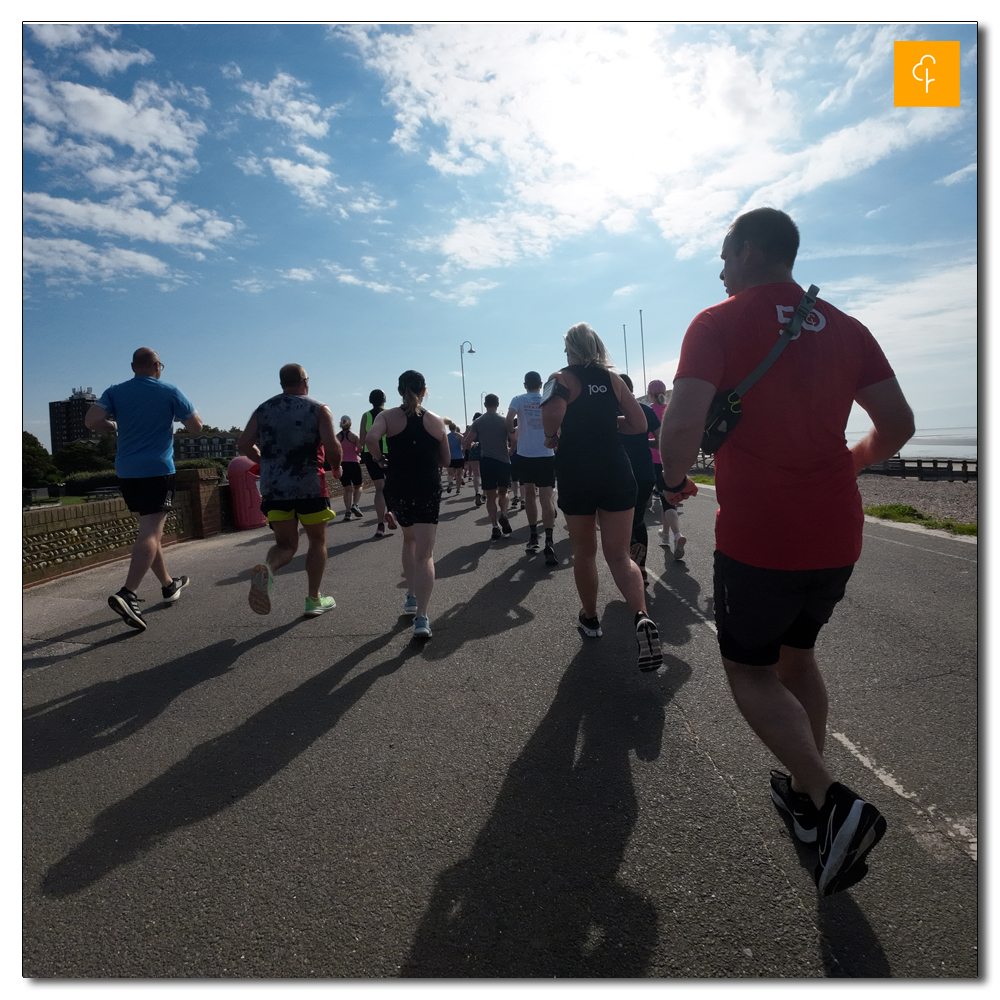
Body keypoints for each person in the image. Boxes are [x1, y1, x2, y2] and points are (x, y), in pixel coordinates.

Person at [657, 206, 914, 895]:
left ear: (748, 250)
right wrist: (849, 465)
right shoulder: (849, 327)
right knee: (799, 656)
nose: (719, 269)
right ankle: (806, 798)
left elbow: (680, 427)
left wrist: (674, 481)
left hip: (762, 536)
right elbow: (899, 424)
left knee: (749, 672)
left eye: (723, 254)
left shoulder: (717, 321)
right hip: (837, 530)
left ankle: (833, 801)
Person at [540, 323, 662, 672]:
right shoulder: (613, 380)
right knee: (620, 556)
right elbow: (639, 424)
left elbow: (551, 412)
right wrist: (608, 425)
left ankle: (591, 619)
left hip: (577, 473)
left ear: (572, 349)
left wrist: (553, 435)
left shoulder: (561, 377)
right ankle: (641, 616)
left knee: (584, 552)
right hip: (616, 471)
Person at [86, 348, 203, 631]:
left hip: (127, 471)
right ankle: (128, 593)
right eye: (161, 365)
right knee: (151, 533)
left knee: (148, 531)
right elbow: (196, 427)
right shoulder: (169, 391)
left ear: (133, 367)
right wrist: (173, 418)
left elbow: (92, 421)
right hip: (157, 469)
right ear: (156, 366)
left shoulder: (115, 391)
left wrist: (113, 426)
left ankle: (167, 584)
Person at [238, 364, 343, 617]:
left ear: (282, 383)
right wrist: (337, 468)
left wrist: (268, 463)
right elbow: (331, 447)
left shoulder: (263, 410)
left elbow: (244, 444)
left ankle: (268, 568)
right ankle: (314, 599)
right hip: (310, 486)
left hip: (275, 488)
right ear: (305, 381)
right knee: (317, 540)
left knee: (285, 545)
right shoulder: (318, 409)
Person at [367, 370, 451, 639]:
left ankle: (411, 596)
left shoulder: (387, 416)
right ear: (424, 390)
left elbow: (370, 439)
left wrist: (381, 460)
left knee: (409, 541)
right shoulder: (436, 421)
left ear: (400, 390)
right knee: (425, 554)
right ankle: (422, 618)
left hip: (399, 487)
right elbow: (446, 461)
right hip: (427, 487)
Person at [506, 370, 558, 565]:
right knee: (546, 497)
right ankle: (550, 539)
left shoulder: (518, 399)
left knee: (529, 495)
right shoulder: (547, 398)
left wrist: (512, 434)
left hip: (526, 454)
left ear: (524, 384)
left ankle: (534, 536)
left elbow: (509, 418)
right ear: (541, 384)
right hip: (545, 453)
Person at [618, 374, 660, 583]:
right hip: (645, 471)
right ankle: (642, 569)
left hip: (620, 473)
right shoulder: (646, 410)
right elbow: (661, 440)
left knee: (620, 522)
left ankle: (631, 560)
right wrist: (645, 443)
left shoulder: (612, 413)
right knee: (638, 518)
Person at [463, 395, 512, 541]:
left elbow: (466, 443)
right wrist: (511, 449)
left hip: (487, 460)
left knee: (490, 496)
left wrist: (471, 445)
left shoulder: (478, 421)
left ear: (485, 405)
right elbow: (513, 438)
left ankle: (494, 526)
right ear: (498, 404)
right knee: (503, 493)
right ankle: (503, 513)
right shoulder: (504, 421)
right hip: (503, 460)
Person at [648, 379, 686, 560]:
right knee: (667, 499)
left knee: (666, 501)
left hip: (655, 461)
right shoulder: (672, 410)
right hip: (674, 460)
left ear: (650, 394)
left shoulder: (648, 411)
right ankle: (664, 534)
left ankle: (677, 534)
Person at [360, 390, 391, 537]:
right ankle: (391, 512)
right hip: (388, 452)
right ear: (384, 399)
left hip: (370, 453)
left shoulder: (365, 416)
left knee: (379, 488)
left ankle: (380, 525)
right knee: (392, 485)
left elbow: (362, 440)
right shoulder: (390, 413)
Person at [336, 416, 364, 520]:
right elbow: (360, 449)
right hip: (353, 463)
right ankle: (355, 505)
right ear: (350, 423)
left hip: (342, 464)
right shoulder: (354, 436)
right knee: (358, 486)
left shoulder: (337, 437)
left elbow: (335, 451)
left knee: (347, 489)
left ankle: (347, 512)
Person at [466, 413, 483, 506]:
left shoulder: (470, 428)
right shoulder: (483, 427)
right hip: (483, 450)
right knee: (484, 473)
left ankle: (477, 492)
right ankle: (484, 493)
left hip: (473, 451)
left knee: (476, 474)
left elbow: (465, 441)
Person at [445, 420, 466, 493]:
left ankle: (450, 482)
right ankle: (458, 489)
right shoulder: (460, 436)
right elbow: (463, 445)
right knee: (459, 474)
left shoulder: (446, 436)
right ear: (455, 428)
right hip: (459, 456)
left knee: (450, 473)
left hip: (450, 457)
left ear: (449, 428)